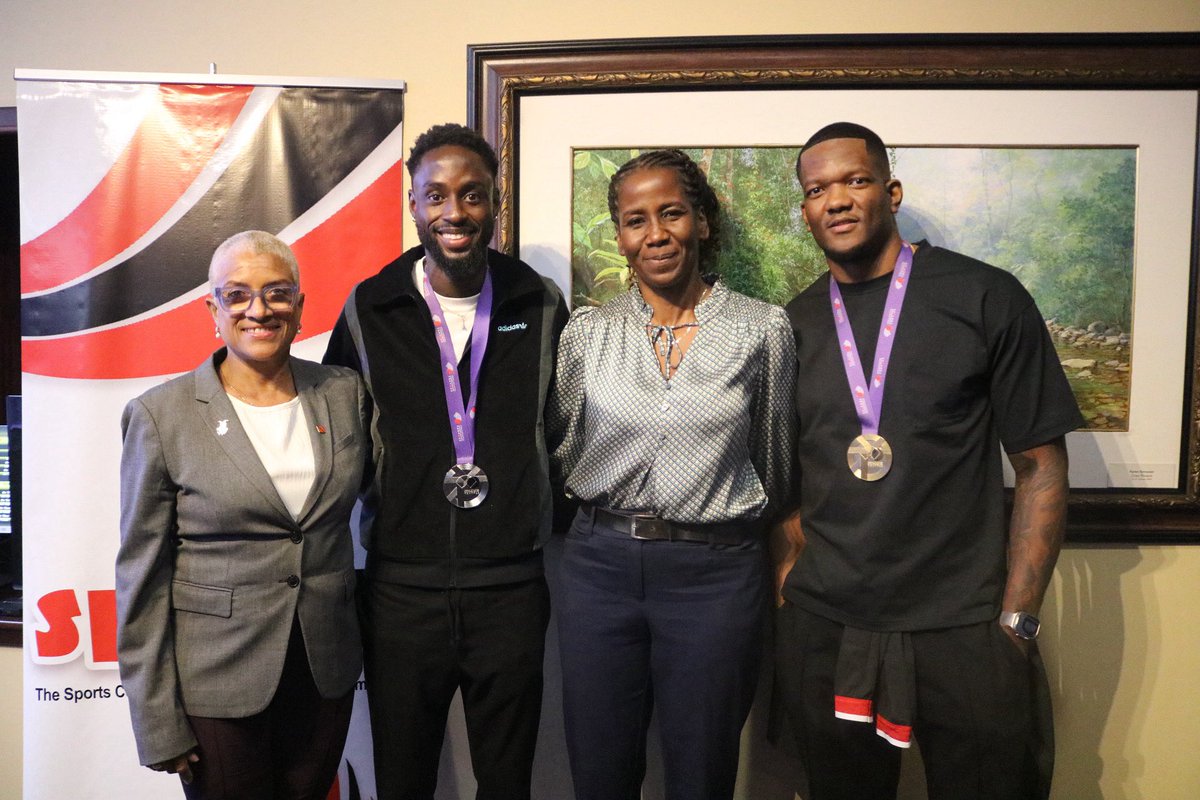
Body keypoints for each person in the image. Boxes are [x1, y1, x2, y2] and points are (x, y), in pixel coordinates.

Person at [773, 122, 1084, 800]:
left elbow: (1040, 466)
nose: (836, 200)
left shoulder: (984, 297)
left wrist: (1018, 619)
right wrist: (790, 589)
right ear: (805, 209)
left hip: (963, 624)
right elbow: (788, 479)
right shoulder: (792, 323)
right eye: (817, 190)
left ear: (891, 191)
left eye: (855, 180)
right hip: (830, 626)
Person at [323, 122, 569, 800]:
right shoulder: (370, 307)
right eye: (435, 196)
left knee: (507, 783)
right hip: (401, 591)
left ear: (495, 203)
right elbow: (337, 433)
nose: (453, 213)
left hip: (511, 587)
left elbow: (565, 427)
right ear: (414, 204)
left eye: (471, 194)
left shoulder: (539, 303)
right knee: (402, 780)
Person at [549, 148, 797, 800]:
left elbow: (773, 462)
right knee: (600, 773)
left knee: (702, 773)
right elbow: (565, 447)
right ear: (620, 238)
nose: (655, 234)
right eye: (636, 221)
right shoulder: (588, 333)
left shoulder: (761, 329)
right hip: (598, 571)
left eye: (672, 213)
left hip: (715, 576)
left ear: (702, 222)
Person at [116, 230, 369, 799]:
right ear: (213, 310)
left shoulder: (344, 393)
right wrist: (156, 720)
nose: (259, 310)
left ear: (299, 307)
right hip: (218, 681)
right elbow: (141, 578)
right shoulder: (161, 415)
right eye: (237, 295)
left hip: (323, 671)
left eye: (277, 292)